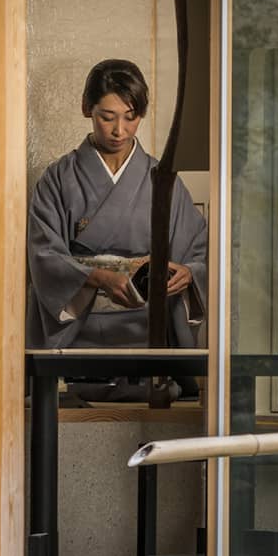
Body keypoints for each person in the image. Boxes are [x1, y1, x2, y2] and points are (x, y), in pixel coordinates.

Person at [27, 59, 207, 355]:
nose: (119, 131)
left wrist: (190, 272)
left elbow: (199, 250)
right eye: (107, 117)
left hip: (149, 323)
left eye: (130, 117)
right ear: (87, 108)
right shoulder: (58, 179)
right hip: (77, 327)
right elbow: (44, 255)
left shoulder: (163, 179)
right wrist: (97, 278)